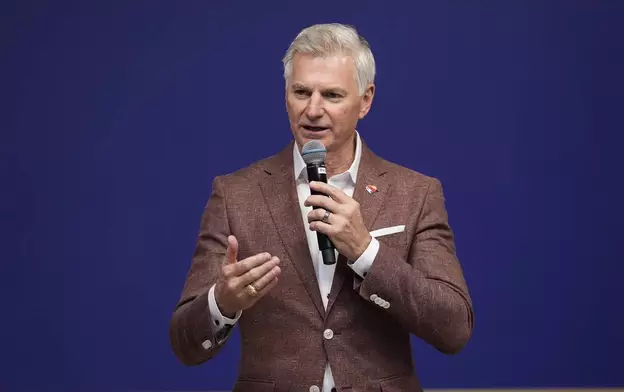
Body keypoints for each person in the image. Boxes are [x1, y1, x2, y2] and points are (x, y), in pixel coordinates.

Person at [169, 23, 474, 392]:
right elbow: (185, 344)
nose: (313, 109)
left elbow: (455, 328)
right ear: (286, 96)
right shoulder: (235, 194)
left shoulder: (416, 193)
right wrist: (222, 303)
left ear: (365, 100)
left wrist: (366, 251)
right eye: (301, 92)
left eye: (331, 95)